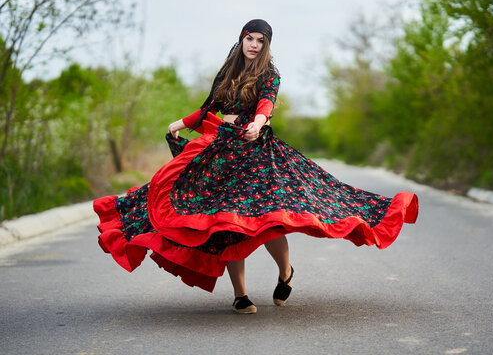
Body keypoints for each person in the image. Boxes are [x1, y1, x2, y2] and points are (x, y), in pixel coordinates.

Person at [93, 19, 418, 315]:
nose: (254, 44)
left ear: (266, 45)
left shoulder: (269, 74)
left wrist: (260, 122)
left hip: (256, 150)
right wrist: (176, 123)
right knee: (228, 222)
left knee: (271, 218)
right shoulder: (227, 73)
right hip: (224, 150)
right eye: (250, 38)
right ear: (242, 39)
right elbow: (209, 109)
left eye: (261, 40)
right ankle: (240, 294)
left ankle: (286, 273)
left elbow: (266, 103)